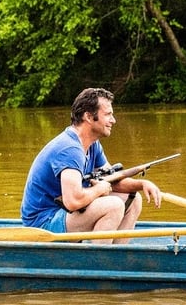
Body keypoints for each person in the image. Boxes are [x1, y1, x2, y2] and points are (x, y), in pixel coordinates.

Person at [20, 88, 162, 243]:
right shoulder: (70, 149)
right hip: (43, 224)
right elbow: (73, 201)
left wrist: (142, 184)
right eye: (108, 114)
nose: (113, 120)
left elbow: (112, 179)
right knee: (113, 205)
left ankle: (116, 256)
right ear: (88, 116)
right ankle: (98, 261)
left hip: (63, 213)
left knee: (133, 199)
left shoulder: (92, 144)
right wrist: (99, 189)